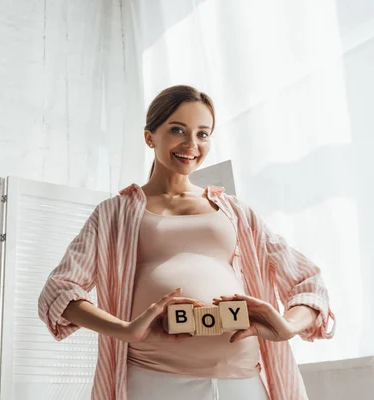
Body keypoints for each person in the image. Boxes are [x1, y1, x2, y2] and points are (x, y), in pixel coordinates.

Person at [37, 85, 335, 400]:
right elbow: (60, 290)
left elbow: (308, 284)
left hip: (241, 380)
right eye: (177, 130)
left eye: (202, 134)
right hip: (154, 379)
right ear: (149, 137)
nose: (191, 144)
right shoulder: (114, 213)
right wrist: (125, 330)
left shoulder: (237, 211)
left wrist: (286, 326)